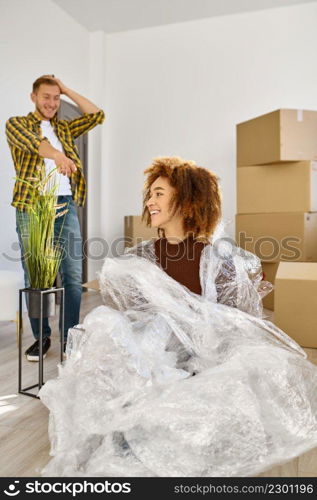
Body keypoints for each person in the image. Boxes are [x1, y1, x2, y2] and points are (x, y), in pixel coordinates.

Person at [39, 157, 317, 477]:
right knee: (103, 324)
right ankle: (131, 428)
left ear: (187, 201)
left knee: (260, 368)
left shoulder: (222, 261)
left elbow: (239, 325)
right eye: (149, 195)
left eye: (159, 193)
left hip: (205, 358)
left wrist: (201, 345)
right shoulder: (138, 260)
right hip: (154, 359)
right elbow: (130, 321)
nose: (149, 202)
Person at [6, 75, 105, 361]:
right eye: (45, 96)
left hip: (65, 205)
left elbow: (97, 115)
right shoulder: (16, 124)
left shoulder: (64, 127)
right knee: (36, 275)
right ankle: (42, 337)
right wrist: (58, 157)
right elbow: (34, 143)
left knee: (73, 276)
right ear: (33, 97)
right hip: (32, 206)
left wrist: (66, 89)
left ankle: (70, 339)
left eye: (55, 98)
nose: (51, 103)